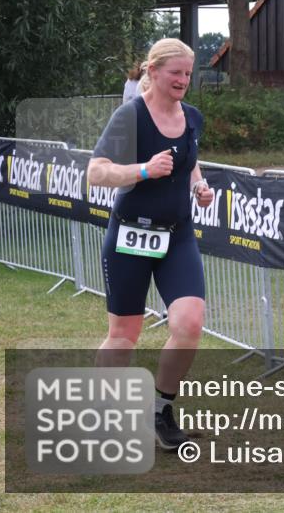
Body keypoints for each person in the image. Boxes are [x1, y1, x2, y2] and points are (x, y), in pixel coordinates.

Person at [87, 38, 214, 451]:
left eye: (188, 74)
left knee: (190, 323)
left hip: (176, 235)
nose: (182, 80)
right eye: (175, 72)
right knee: (124, 334)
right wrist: (143, 170)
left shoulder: (192, 117)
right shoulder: (130, 116)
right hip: (129, 235)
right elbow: (96, 172)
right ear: (154, 71)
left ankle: (161, 410)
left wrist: (198, 185)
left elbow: (188, 158)